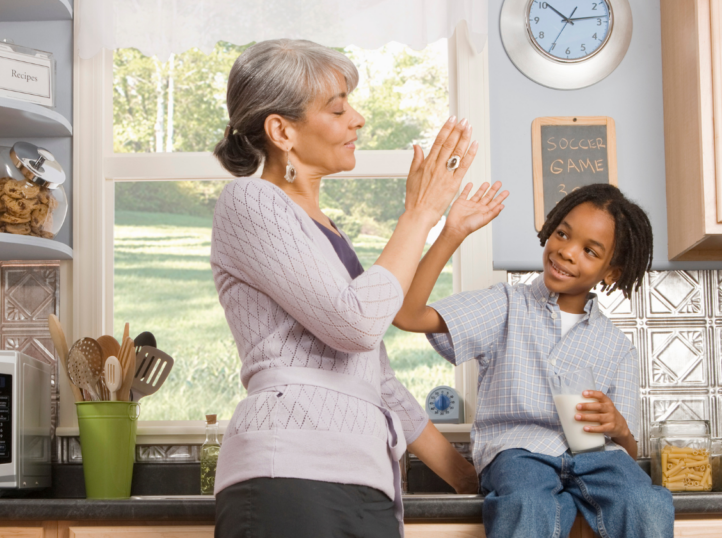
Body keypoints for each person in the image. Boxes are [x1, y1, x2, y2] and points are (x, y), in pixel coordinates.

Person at [209, 39, 490, 538]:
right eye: (338, 108)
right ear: (282, 131)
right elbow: (355, 325)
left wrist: (469, 478)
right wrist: (421, 213)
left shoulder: (325, 230)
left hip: (366, 481)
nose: (357, 119)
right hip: (289, 473)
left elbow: (377, 382)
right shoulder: (250, 201)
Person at [394, 183, 675, 538]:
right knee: (526, 503)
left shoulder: (617, 347)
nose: (568, 252)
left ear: (612, 272)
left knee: (645, 502)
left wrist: (618, 426)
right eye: (562, 234)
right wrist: (453, 233)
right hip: (519, 452)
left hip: (597, 457)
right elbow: (408, 314)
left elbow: (628, 453)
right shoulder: (506, 306)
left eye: (589, 250)